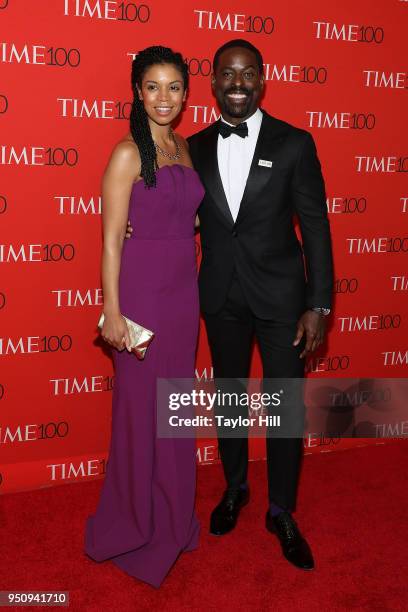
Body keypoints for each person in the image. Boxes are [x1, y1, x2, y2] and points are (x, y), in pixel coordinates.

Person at [127, 39, 333, 571]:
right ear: (213, 82)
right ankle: (236, 487)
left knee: (285, 405)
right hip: (219, 296)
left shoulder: (295, 143)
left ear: (262, 80)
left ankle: (282, 509)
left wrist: (320, 305)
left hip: (285, 300)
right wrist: (135, 225)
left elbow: (315, 228)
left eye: (247, 75)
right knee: (230, 397)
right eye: (227, 75)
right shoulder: (191, 146)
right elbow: (173, 207)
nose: (237, 84)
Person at [84, 46, 205, 588]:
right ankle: (134, 522)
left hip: (183, 297)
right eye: (153, 86)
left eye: (174, 87)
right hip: (140, 298)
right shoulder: (127, 153)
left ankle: (174, 516)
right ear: (137, 91)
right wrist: (112, 312)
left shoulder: (182, 148)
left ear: (185, 94)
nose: (164, 97)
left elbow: (187, 218)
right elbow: (111, 241)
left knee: (175, 409)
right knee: (140, 413)